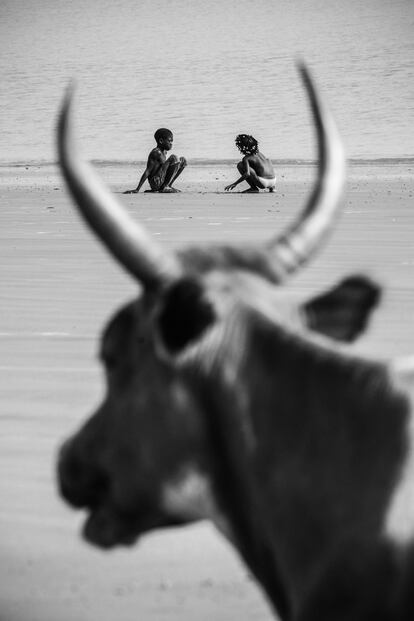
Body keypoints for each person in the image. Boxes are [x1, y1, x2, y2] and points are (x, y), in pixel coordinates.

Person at [124, 128, 187, 194]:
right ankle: (165, 187)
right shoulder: (156, 152)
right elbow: (148, 171)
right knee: (174, 158)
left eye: (172, 141)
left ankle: (168, 185)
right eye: (169, 141)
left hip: (161, 180)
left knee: (183, 160)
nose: (171, 143)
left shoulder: (164, 152)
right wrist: (137, 189)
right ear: (161, 141)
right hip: (155, 182)